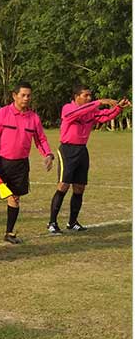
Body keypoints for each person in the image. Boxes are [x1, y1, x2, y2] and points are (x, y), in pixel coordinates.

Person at [0, 82, 54, 244]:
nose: (26, 98)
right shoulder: (2, 114)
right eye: (23, 95)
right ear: (14, 96)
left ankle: (9, 232)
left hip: (20, 165)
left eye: (29, 95)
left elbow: (41, 139)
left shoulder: (34, 118)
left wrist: (48, 154)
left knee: (15, 198)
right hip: (0, 163)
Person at [47, 85, 131, 233]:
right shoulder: (68, 108)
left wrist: (119, 108)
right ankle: (52, 223)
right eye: (86, 95)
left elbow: (105, 116)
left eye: (90, 96)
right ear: (76, 96)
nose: (89, 98)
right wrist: (99, 102)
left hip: (82, 150)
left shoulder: (90, 111)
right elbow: (75, 114)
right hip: (67, 150)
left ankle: (72, 223)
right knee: (63, 185)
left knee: (79, 188)